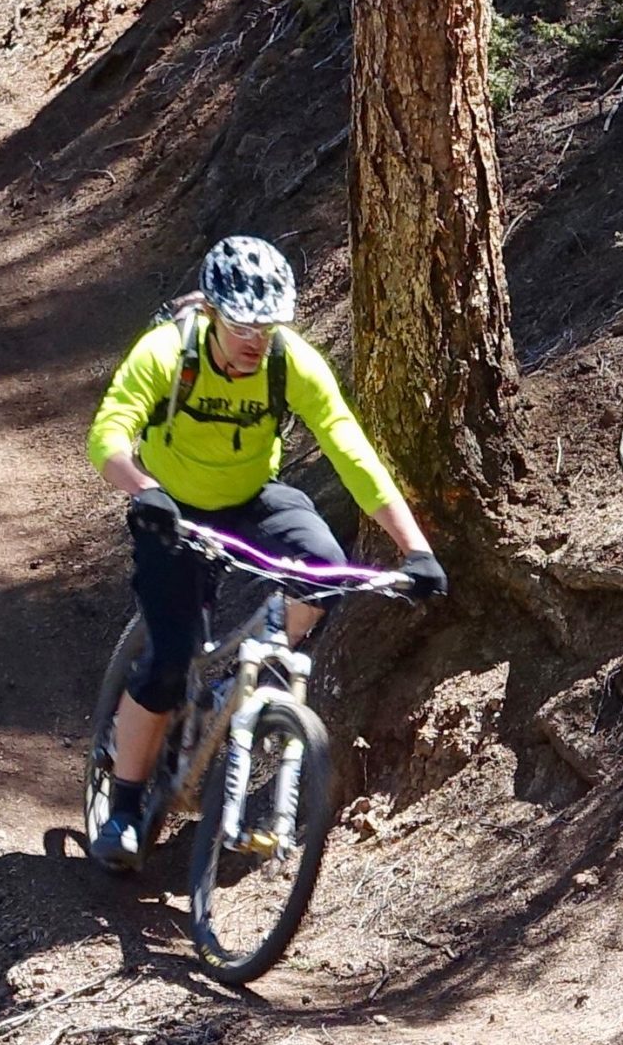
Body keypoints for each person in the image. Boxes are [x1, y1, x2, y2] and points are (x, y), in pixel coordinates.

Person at [84, 235, 446, 870]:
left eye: (269, 326)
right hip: (169, 506)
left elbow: (349, 448)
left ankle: (250, 668)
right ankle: (123, 809)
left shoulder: (290, 363)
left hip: (253, 497)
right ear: (216, 313)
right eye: (243, 325)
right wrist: (143, 489)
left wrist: (413, 549)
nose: (255, 340)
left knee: (326, 569)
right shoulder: (169, 352)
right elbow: (109, 432)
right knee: (170, 655)